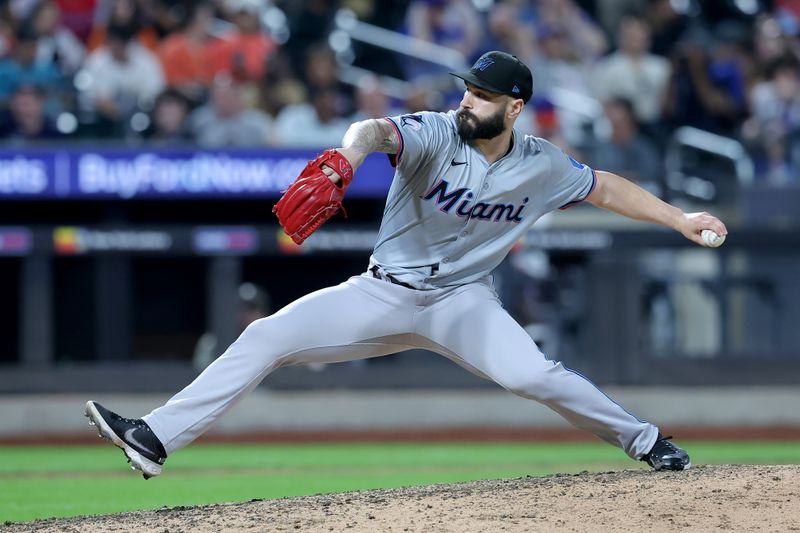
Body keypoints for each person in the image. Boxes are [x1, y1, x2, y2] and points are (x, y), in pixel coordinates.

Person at [86, 51, 727, 479]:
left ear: (514, 107)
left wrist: (679, 219)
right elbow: (376, 131)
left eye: (483, 96)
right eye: (467, 90)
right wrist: (347, 158)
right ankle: (154, 439)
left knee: (534, 374)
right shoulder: (436, 132)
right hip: (382, 294)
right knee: (265, 335)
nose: (468, 102)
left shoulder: (542, 163)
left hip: (463, 302)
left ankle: (647, 442)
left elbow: (606, 187)